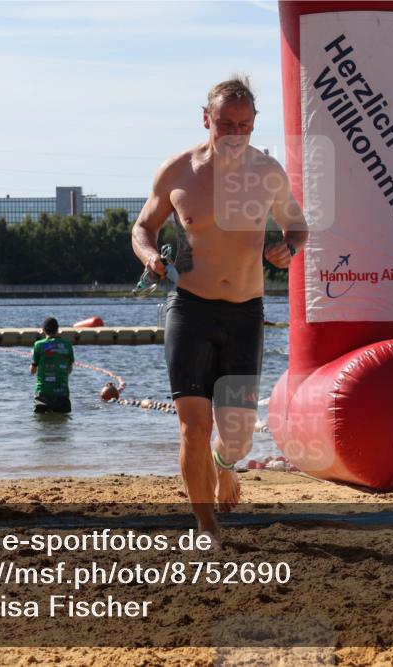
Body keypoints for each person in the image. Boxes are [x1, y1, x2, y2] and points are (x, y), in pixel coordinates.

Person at [131, 76, 308, 545]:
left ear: (254, 123)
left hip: (244, 313)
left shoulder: (267, 172)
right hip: (189, 308)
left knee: (238, 436)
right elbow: (143, 227)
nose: (235, 133)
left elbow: (298, 227)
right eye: (226, 123)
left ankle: (225, 464)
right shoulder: (177, 172)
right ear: (206, 119)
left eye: (244, 125)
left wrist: (288, 248)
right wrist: (150, 256)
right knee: (193, 427)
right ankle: (205, 525)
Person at [30, 317, 74, 414]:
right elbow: (69, 370)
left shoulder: (38, 345)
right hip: (62, 393)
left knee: (41, 420)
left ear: (43, 330)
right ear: (57, 329)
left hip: (43, 393)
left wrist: (33, 356)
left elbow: (32, 371)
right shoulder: (67, 345)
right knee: (62, 420)